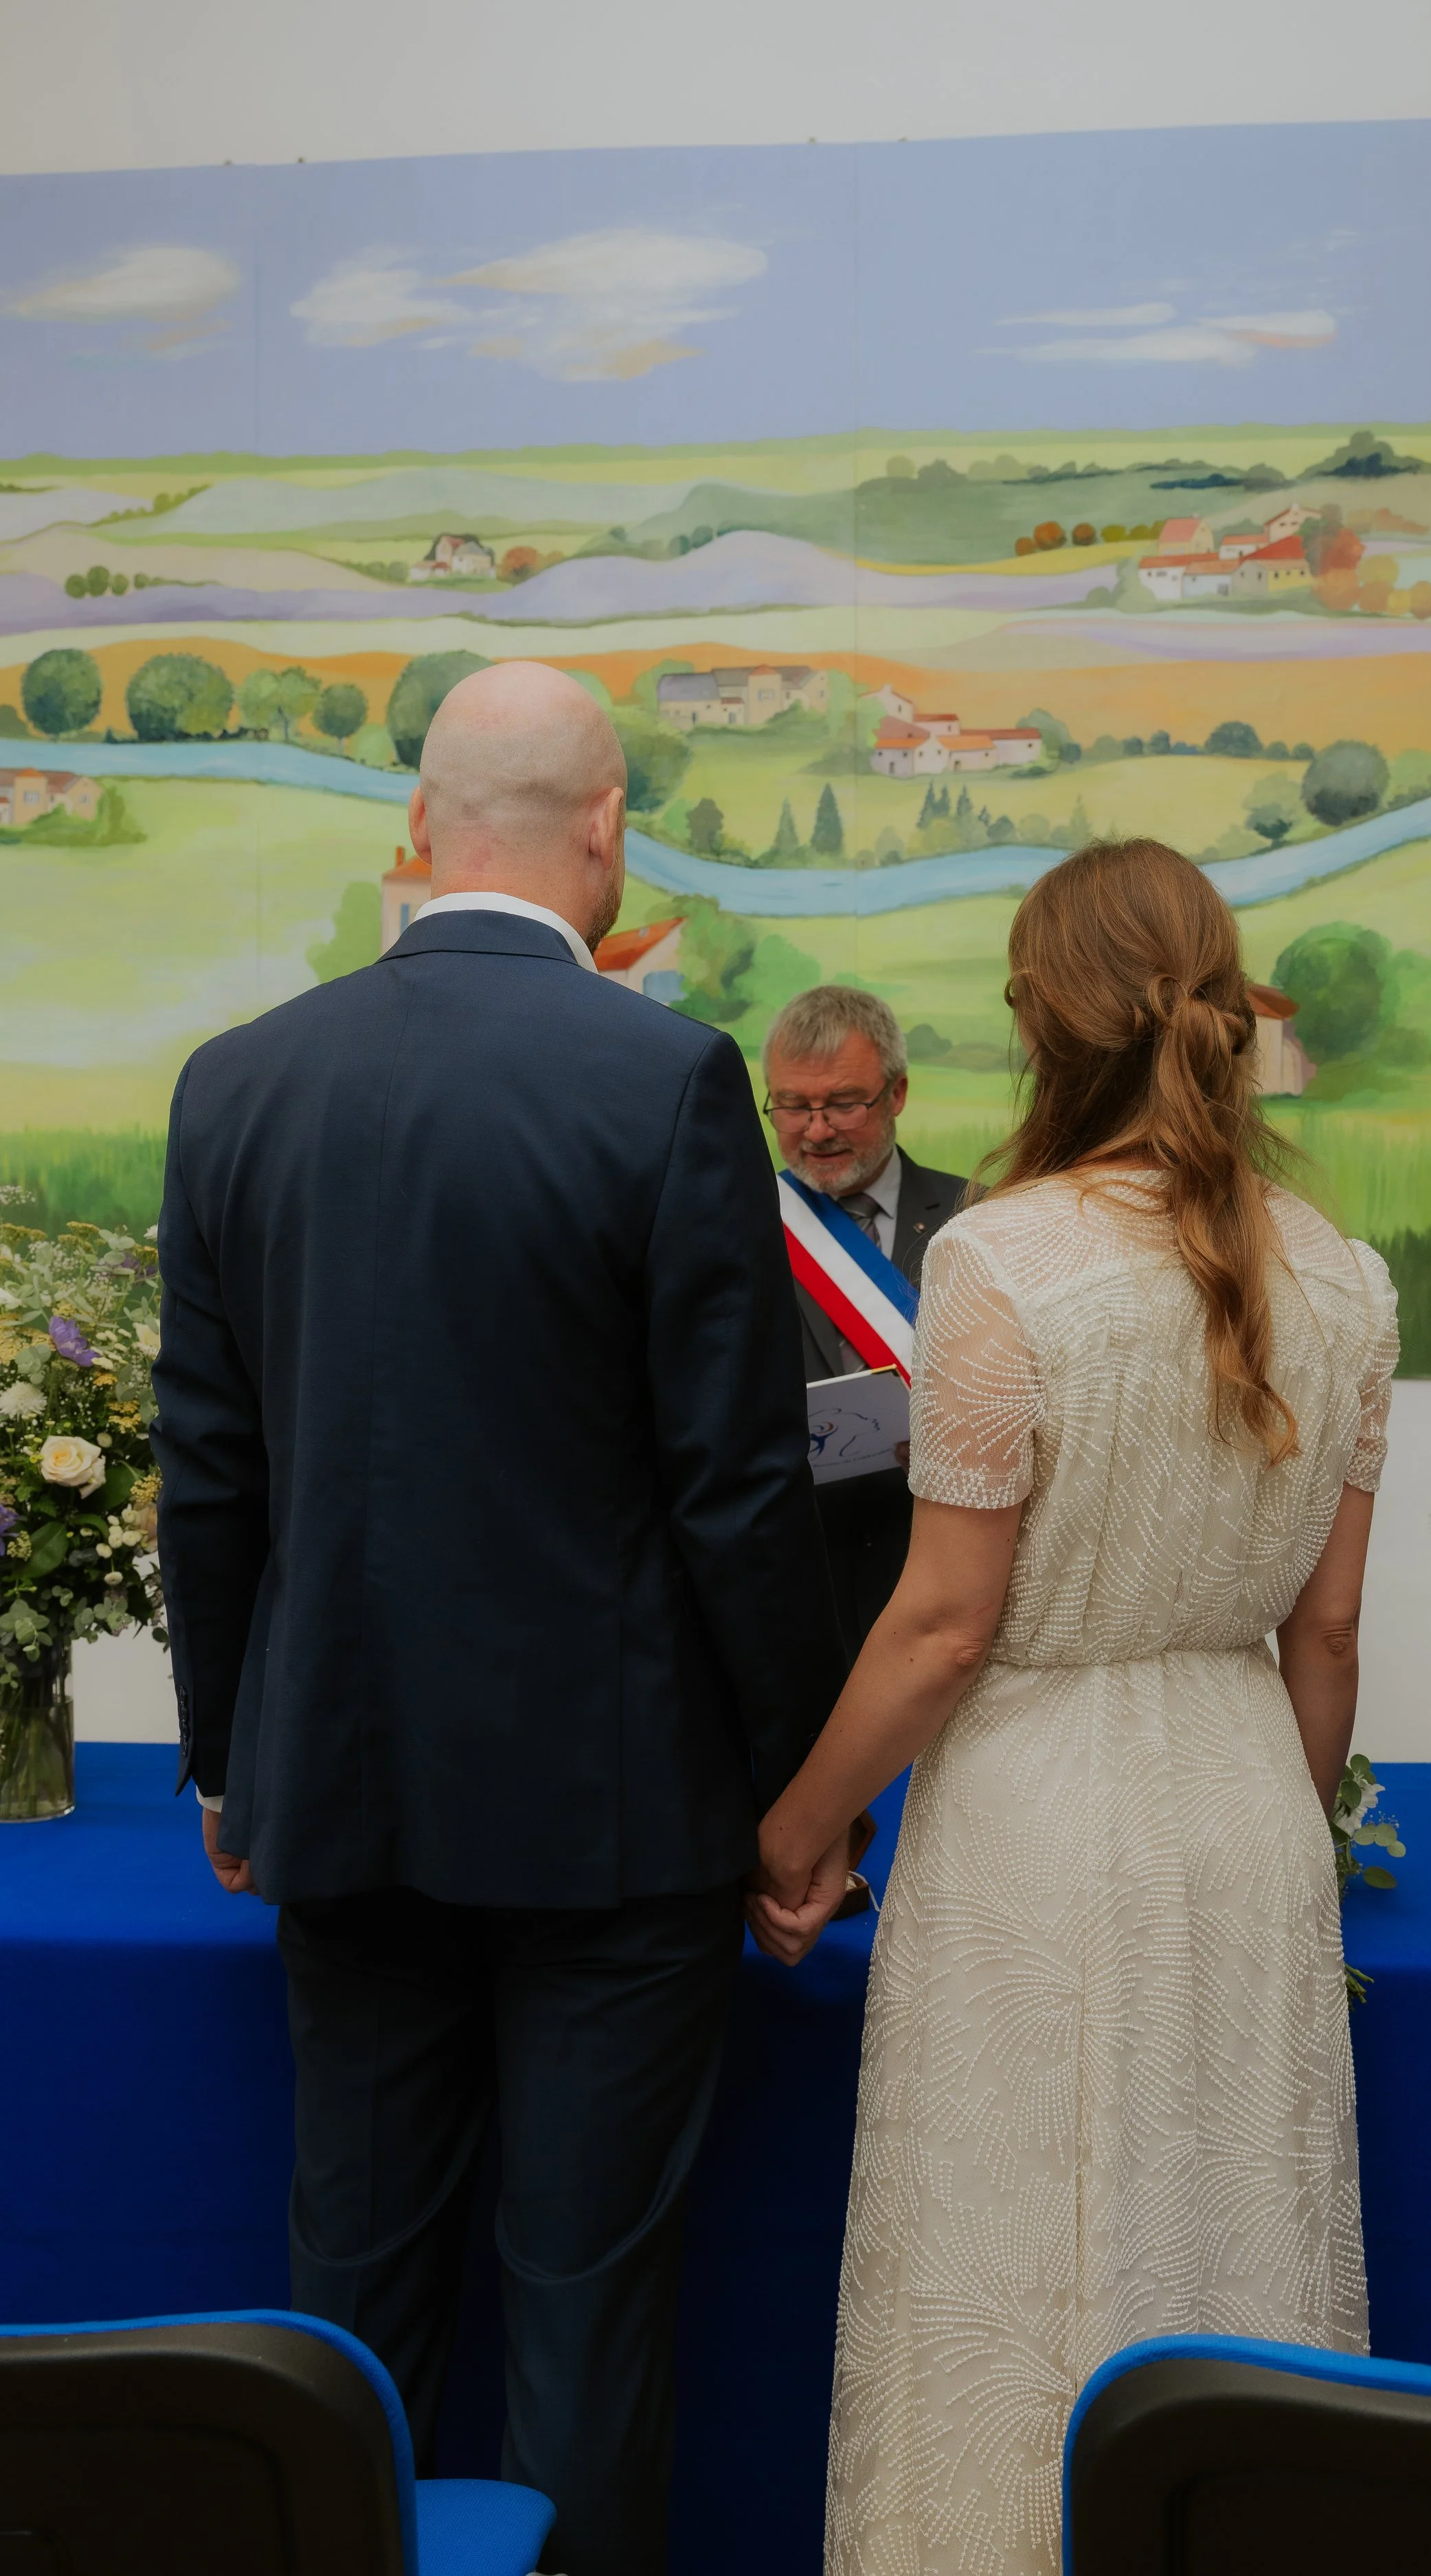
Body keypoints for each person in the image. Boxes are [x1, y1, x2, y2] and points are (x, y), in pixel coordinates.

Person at [150, 662, 850, 2576]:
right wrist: (800, 1792)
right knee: (585, 2331)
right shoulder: (664, 1076)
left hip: (344, 1795)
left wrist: (230, 1753)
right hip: (615, 1829)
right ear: (607, 830)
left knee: (346, 2316)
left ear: (418, 826)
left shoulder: (239, 1080)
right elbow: (733, 1483)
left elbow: (207, 1477)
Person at [747, 839, 1399, 2576]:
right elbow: (1325, 1635)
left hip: (1036, 1824)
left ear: (1043, 1027)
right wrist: (1292, 1811)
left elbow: (943, 1625)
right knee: (1227, 2242)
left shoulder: (1000, 1258)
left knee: (1018, 2266)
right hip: (1252, 1812)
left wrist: (796, 1834)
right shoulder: (1343, 1272)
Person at [763, 986, 965, 1657]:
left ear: (897, 1092)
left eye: (844, 1103)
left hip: (948, 1581)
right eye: (792, 1105)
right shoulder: (737, 1230)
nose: (816, 1130)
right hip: (803, 1591)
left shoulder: (978, 1217)